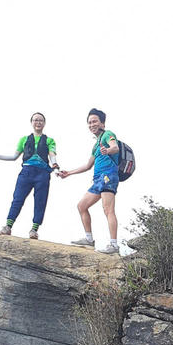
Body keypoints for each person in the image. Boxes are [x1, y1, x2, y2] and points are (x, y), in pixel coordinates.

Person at [58, 108, 120, 255]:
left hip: (108, 176)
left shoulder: (108, 134)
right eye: (89, 122)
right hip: (98, 179)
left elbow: (115, 147)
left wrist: (108, 151)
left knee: (108, 210)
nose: (92, 124)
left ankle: (114, 245)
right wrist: (68, 173)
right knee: (82, 206)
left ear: (102, 123)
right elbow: (87, 165)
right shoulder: (96, 145)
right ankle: (89, 239)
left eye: (95, 121)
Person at [0, 112, 59, 239]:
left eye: (41, 120)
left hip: (42, 173)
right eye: (35, 120)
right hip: (26, 172)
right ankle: (8, 226)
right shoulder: (24, 139)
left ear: (44, 123)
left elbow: (52, 154)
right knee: (18, 198)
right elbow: (14, 156)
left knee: (40, 201)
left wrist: (55, 165)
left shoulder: (49, 140)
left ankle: (34, 229)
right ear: (31, 122)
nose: (38, 122)